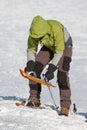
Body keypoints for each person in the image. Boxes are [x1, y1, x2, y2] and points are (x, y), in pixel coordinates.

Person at [24, 15, 73, 116]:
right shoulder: (34, 32)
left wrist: (51, 68)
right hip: (48, 46)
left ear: (44, 31)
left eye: (39, 37)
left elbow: (59, 52)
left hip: (64, 47)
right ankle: (34, 99)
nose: (37, 38)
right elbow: (31, 49)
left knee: (62, 75)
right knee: (35, 70)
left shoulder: (56, 30)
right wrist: (30, 62)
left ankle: (65, 106)